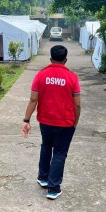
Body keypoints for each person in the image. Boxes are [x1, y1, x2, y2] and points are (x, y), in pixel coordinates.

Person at [22, 45, 81, 200]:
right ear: (66, 60)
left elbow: (33, 99)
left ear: (50, 59)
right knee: (60, 153)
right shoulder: (72, 77)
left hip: (45, 121)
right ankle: (53, 188)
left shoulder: (41, 75)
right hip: (66, 122)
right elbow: (77, 104)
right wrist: (75, 122)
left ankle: (43, 178)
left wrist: (26, 120)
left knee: (46, 146)